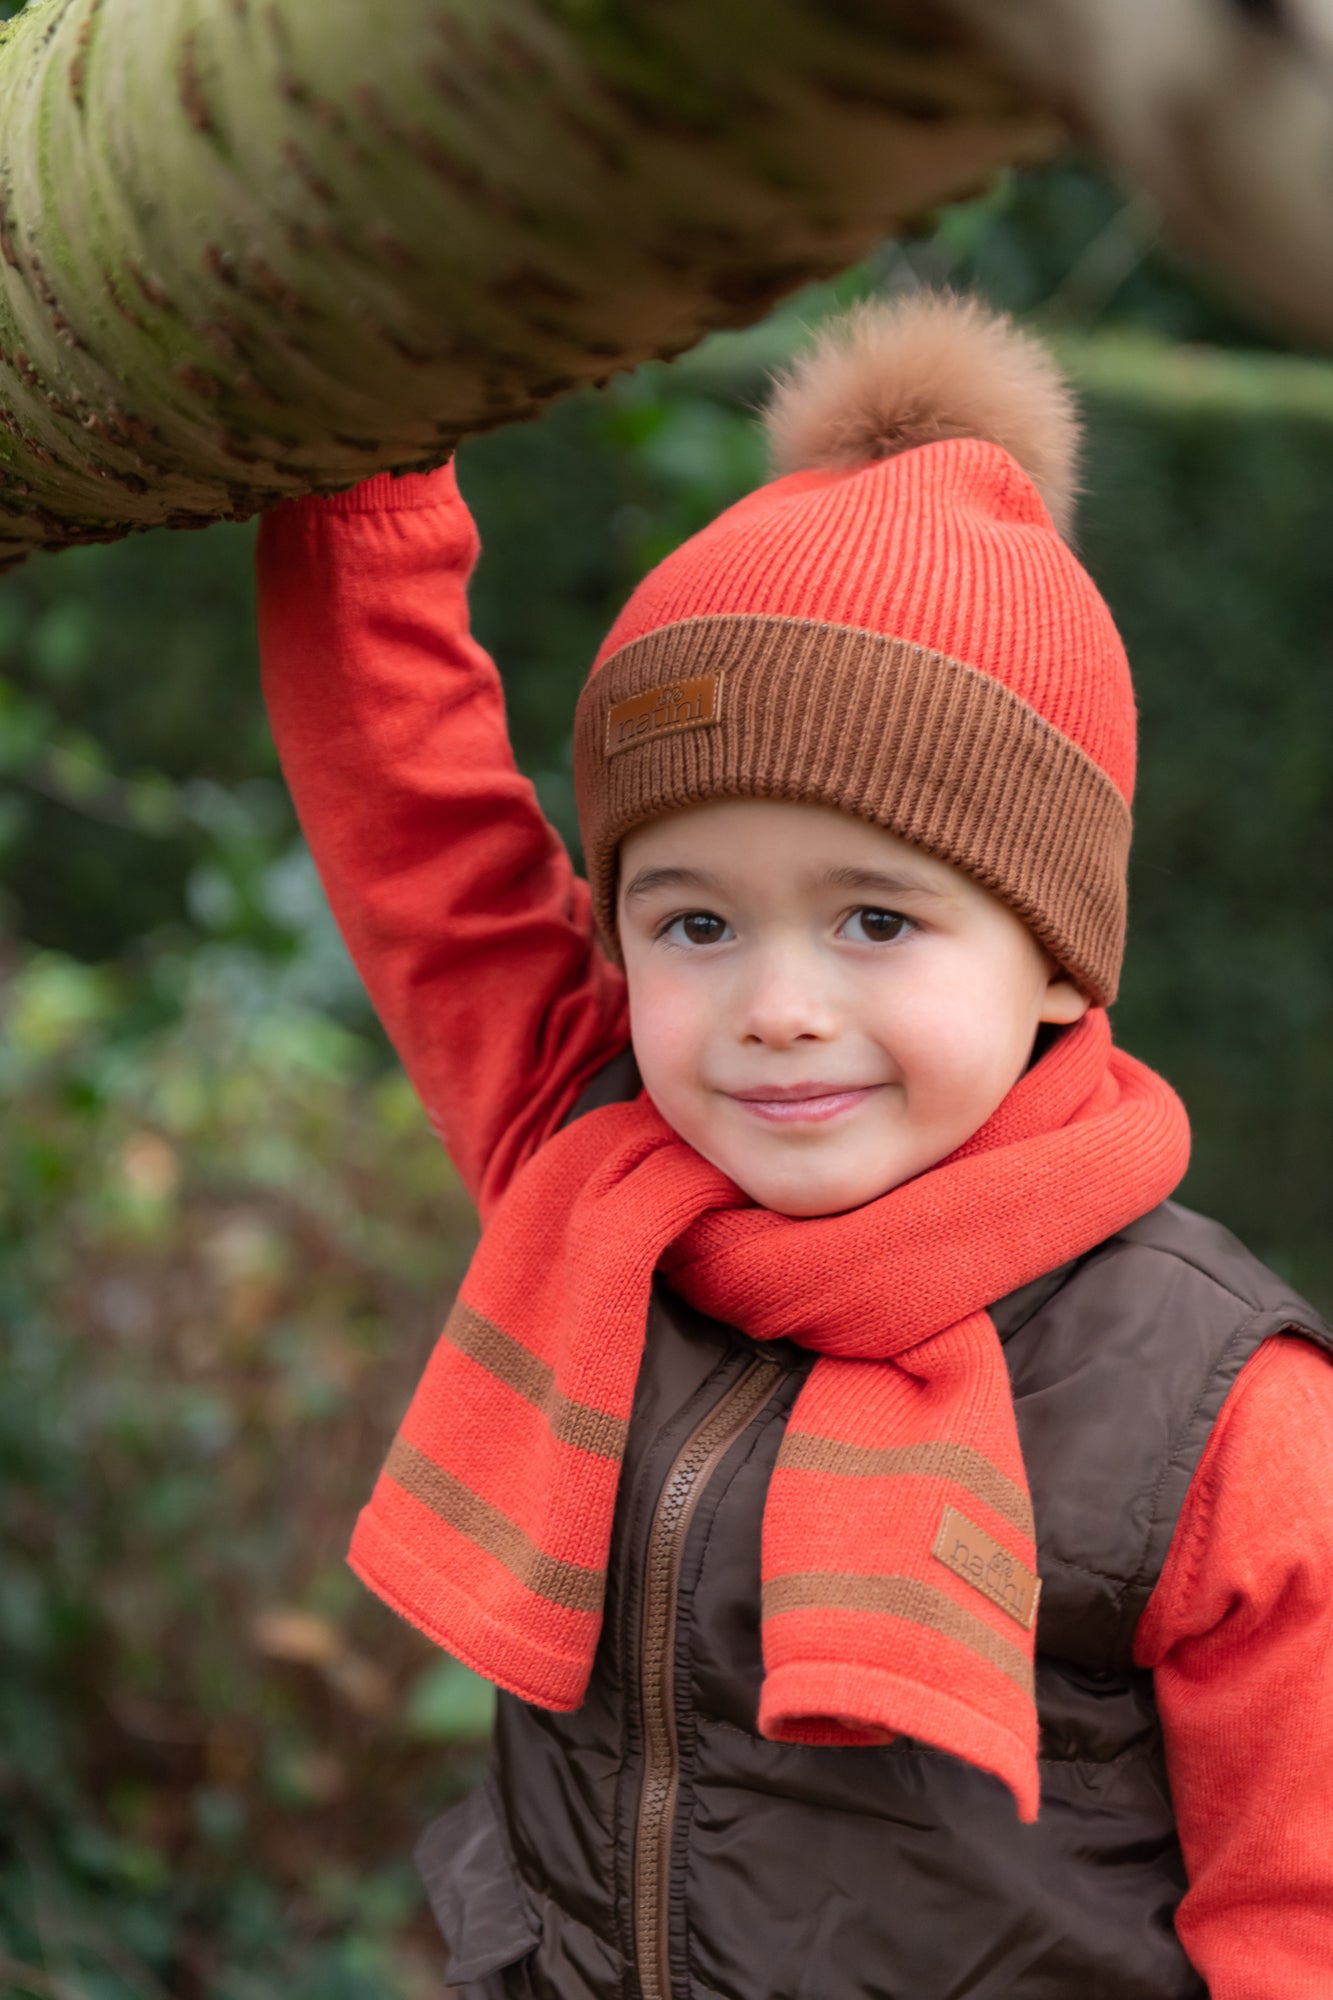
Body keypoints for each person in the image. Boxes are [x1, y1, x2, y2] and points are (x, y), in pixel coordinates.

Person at [256, 293, 1333, 1999]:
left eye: (876, 923)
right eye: (692, 925)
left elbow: (1302, 1911)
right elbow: (413, 813)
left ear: (1058, 957)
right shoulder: (594, 1162)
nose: (771, 1006)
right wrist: (355, 412)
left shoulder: (1223, 1411)